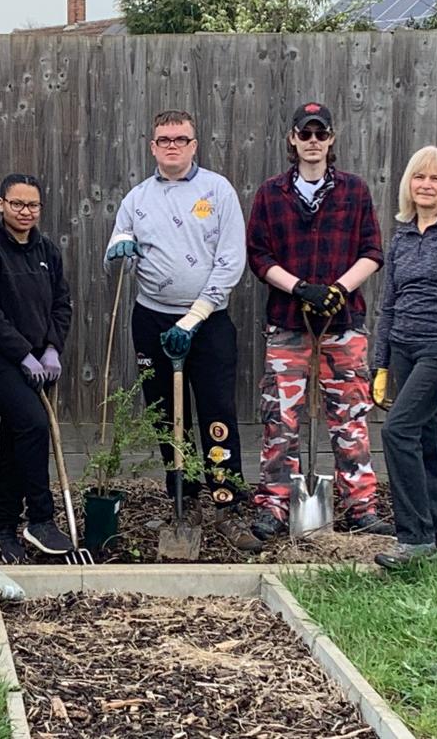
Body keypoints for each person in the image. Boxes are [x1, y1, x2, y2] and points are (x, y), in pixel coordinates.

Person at [103, 109, 262, 552]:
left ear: (194, 144)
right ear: (152, 146)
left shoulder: (217, 191)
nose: (171, 146)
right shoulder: (137, 198)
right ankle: (184, 500)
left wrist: (194, 318)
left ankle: (227, 507)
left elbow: (232, 260)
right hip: (151, 319)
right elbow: (118, 244)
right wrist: (120, 249)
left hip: (206, 323)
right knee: (168, 417)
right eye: (163, 140)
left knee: (216, 415)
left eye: (180, 139)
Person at [246, 101, 393, 541]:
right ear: (292, 138)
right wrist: (299, 288)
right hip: (289, 324)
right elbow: (259, 256)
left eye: (320, 134)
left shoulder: (354, 191)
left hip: (343, 323)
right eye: (305, 134)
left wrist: (338, 289)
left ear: (331, 139)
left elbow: (372, 251)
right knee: (280, 417)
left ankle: (360, 506)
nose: (313, 142)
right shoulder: (272, 194)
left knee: (350, 417)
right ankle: (274, 505)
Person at [369, 146, 437, 569]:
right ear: (408, 186)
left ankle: (414, 539)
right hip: (403, 348)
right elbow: (390, 303)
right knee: (428, 442)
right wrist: (380, 363)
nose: (427, 185)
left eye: (436, 179)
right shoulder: (401, 235)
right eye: (420, 178)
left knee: (397, 432)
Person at [0, 174, 75, 563]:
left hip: (38, 363)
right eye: (17, 204)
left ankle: (5, 527)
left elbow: (62, 302)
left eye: (33, 205)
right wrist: (23, 352)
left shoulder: (46, 250)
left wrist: (52, 349)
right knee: (32, 424)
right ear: (0, 204)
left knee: (17, 434)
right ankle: (41, 519)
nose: (25, 212)